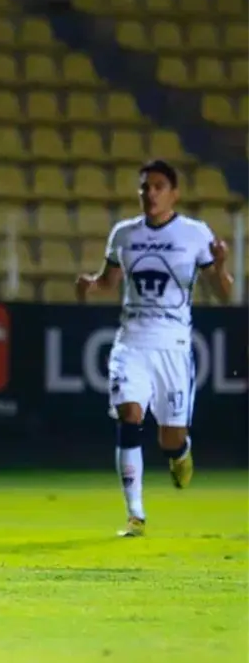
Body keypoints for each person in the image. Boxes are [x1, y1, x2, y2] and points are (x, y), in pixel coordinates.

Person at [75, 159, 233, 538]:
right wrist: (90, 286)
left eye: (159, 186)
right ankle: (136, 514)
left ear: (174, 193)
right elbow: (109, 281)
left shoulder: (195, 234)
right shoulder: (124, 234)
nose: (150, 193)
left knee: (169, 439)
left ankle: (180, 452)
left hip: (173, 348)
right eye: (145, 186)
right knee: (129, 414)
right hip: (131, 343)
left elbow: (223, 294)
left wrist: (221, 266)